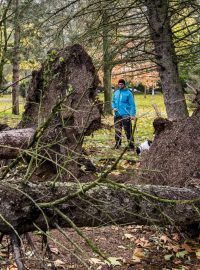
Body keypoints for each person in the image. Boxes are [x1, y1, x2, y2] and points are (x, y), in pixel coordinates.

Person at [112, 79, 136, 150]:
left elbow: (132, 105)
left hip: (126, 115)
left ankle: (131, 146)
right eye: (119, 84)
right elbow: (113, 101)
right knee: (117, 131)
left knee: (128, 131)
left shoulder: (129, 93)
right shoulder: (116, 92)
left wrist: (132, 114)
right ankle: (117, 145)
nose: (120, 85)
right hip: (117, 115)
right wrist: (114, 107)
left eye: (122, 84)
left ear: (124, 85)